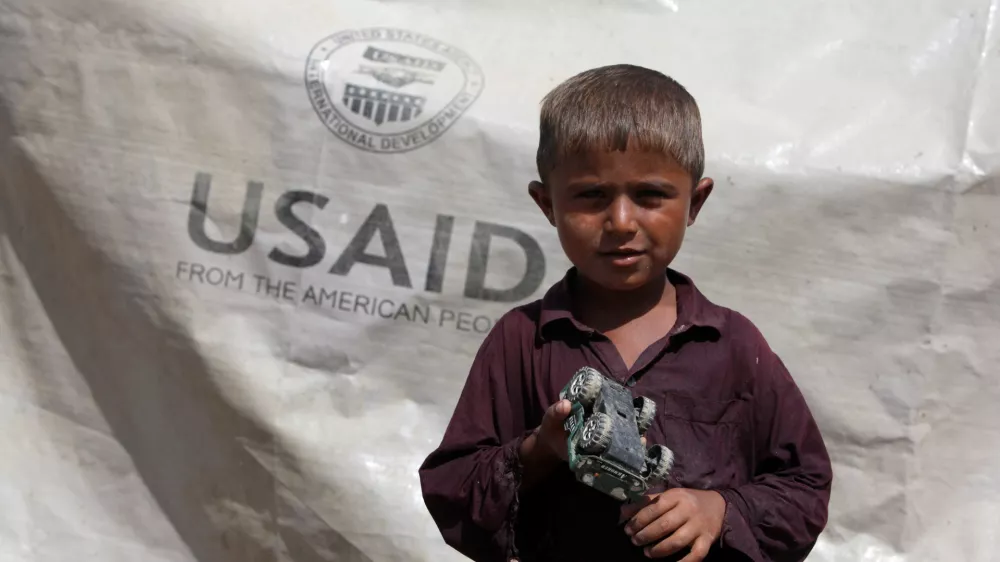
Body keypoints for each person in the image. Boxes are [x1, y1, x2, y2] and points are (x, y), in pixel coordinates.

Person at [418, 64, 832, 562]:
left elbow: (805, 486)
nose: (620, 222)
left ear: (695, 202)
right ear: (547, 204)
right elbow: (451, 490)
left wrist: (720, 510)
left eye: (650, 195)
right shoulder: (523, 340)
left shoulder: (733, 345)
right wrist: (541, 449)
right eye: (591, 196)